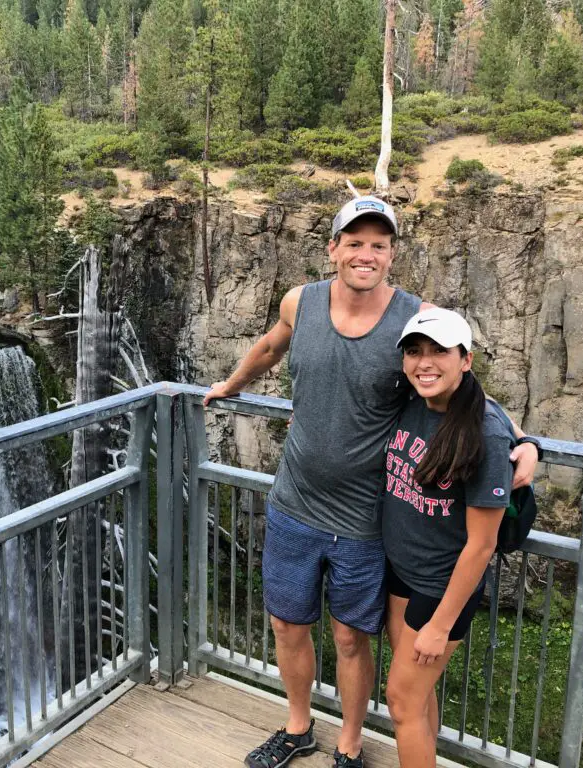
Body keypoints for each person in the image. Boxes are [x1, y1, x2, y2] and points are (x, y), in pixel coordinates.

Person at [203, 196, 538, 768]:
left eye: (378, 245)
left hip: (363, 519)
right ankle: (298, 726)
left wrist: (526, 439)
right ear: (332, 249)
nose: (366, 254)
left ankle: (350, 743)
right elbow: (268, 346)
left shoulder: (411, 318)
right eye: (353, 242)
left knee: (352, 638)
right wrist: (230, 385)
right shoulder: (300, 302)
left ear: (391, 254)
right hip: (293, 503)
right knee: (287, 625)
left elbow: (459, 382)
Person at [382, 307, 531, 767]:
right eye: (414, 352)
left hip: (441, 587)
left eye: (439, 352)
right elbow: (522, 434)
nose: (424, 362)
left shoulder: (482, 430)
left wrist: (441, 624)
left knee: (401, 702)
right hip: (403, 571)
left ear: (465, 360)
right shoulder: (412, 401)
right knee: (417, 699)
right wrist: (533, 444)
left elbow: (482, 546)